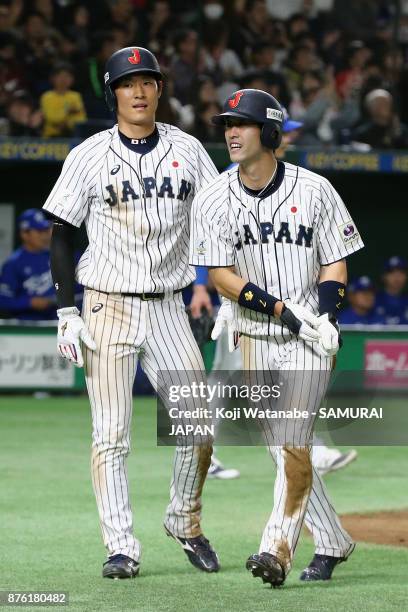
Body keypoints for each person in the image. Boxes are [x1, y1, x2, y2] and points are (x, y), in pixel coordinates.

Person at [43, 46, 220, 580]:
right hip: (106, 305)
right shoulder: (88, 154)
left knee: (199, 423)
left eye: (147, 81)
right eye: (127, 83)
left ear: (160, 90)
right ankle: (120, 546)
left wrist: (205, 283)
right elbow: (61, 232)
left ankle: (183, 520)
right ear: (113, 93)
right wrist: (65, 309)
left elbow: (216, 216)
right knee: (111, 435)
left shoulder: (188, 150)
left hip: (168, 307)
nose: (139, 91)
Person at [190, 88, 363, 587]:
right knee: (286, 448)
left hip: (310, 335)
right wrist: (282, 312)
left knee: (290, 438)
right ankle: (331, 541)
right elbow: (220, 275)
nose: (231, 133)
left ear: (270, 133)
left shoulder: (315, 189)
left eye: (241, 124)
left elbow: (335, 258)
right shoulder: (214, 197)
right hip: (255, 333)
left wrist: (326, 316)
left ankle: (276, 549)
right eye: (227, 124)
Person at [0, 208, 55, 320]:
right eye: (39, 231)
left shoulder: (56, 256)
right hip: (27, 328)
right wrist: (29, 302)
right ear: (25, 234)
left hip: (56, 324)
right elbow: (3, 300)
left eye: (46, 230)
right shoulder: (13, 263)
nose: (45, 236)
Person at [40, 63, 86, 137]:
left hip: (72, 137)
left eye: (67, 76)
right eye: (60, 76)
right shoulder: (47, 96)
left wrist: (66, 124)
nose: (63, 79)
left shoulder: (76, 96)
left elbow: (81, 119)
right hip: (50, 139)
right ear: (53, 78)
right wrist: (68, 111)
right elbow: (51, 118)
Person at [374, 257, 408, 325]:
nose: (397, 276)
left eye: (401, 272)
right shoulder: (373, 299)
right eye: (391, 272)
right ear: (383, 276)